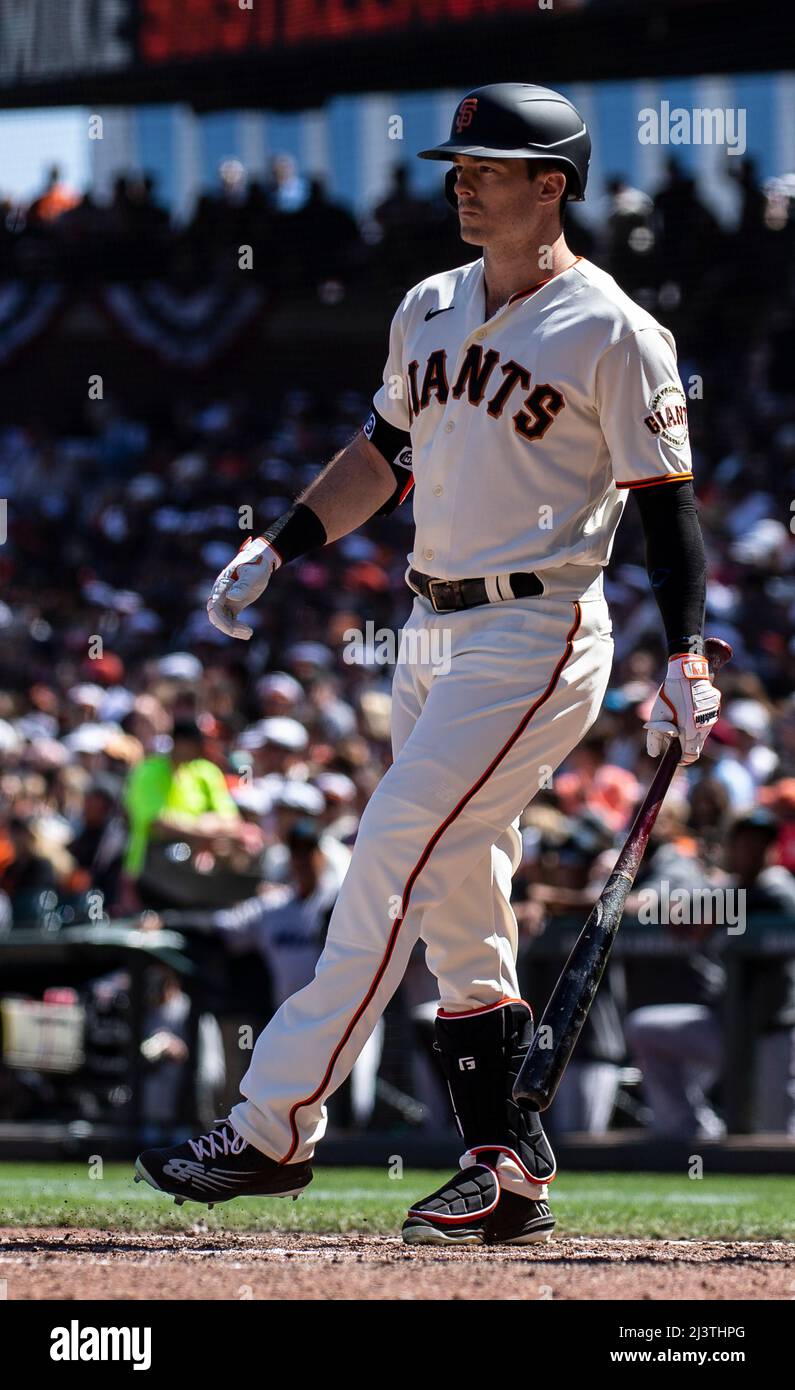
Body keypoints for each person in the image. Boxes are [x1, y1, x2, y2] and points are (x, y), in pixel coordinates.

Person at [135, 83, 721, 1245]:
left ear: (552, 184)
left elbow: (668, 509)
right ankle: (506, 1161)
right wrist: (282, 540)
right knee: (459, 896)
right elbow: (383, 454)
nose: (462, 178)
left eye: (489, 164)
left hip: (537, 625)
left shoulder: (612, 328)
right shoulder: (430, 305)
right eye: (458, 162)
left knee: (392, 850)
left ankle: (273, 1125)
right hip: (427, 625)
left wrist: (690, 655)